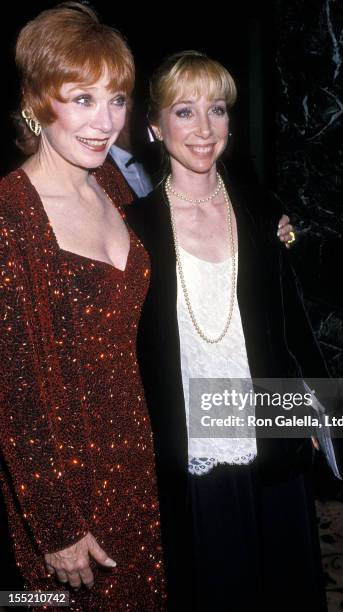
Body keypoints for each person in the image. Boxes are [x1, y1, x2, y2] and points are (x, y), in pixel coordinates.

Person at [125, 51, 329, 611]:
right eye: (185, 112)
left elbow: (289, 322)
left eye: (217, 110)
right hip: (192, 437)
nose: (204, 128)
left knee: (285, 583)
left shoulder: (264, 213)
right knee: (219, 585)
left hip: (269, 426)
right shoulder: (134, 227)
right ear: (154, 125)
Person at [0, 4, 165, 610]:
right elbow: (12, 390)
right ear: (39, 100)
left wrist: (262, 226)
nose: (105, 122)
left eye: (116, 99)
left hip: (136, 456)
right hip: (64, 481)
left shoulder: (115, 188)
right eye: (82, 98)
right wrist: (55, 525)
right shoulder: (10, 216)